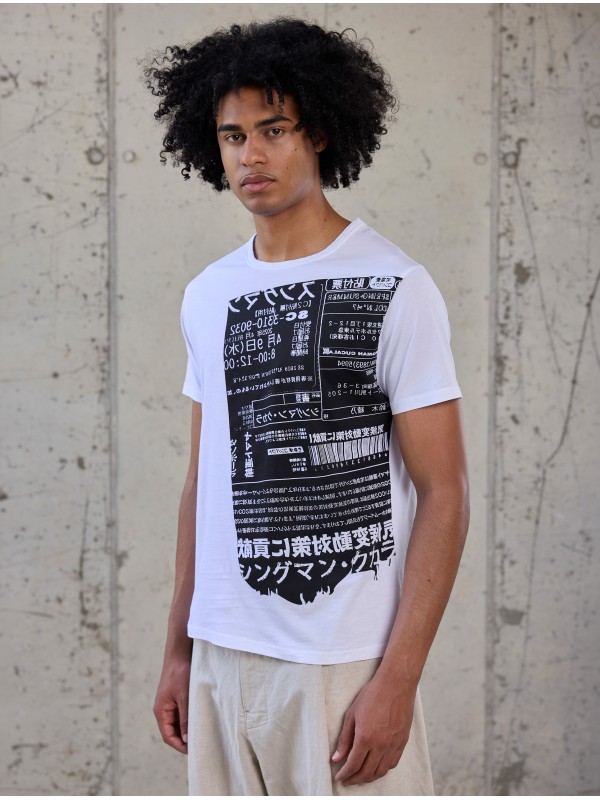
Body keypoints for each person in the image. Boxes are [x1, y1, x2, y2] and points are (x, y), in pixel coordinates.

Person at [143, 17, 469, 796]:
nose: (250, 156)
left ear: (318, 132)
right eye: (232, 136)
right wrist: (180, 649)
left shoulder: (396, 286)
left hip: (342, 665)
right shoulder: (208, 294)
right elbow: (202, 482)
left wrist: (397, 679)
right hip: (221, 654)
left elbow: (446, 494)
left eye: (273, 129)